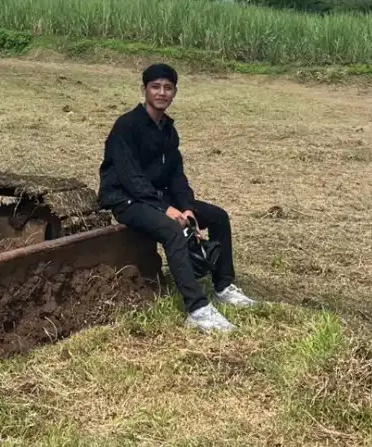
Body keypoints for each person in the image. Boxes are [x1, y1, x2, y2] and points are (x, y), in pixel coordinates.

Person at [97, 62, 256, 333]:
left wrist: (185, 207)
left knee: (217, 217)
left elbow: (176, 176)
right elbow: (130, 178)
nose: (162, 93)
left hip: (161, 196)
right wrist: (166, 210)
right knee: (173, 230)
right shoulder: (127, 126)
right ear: (145, 90)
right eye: (155, 87)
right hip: (126, 199)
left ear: (175, 93)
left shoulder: (168, 130)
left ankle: (223, 286)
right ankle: (197, 309)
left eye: (168, 88)